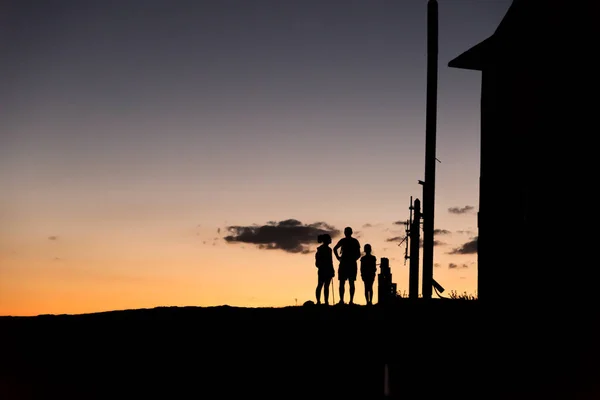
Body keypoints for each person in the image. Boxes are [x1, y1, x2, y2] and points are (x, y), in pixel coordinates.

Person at [333, 227, 361, 305]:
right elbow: (334, 249)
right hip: (347, 263)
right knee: (345, 283)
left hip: (347, 263)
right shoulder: (351, 241)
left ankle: (347, 300)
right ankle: (345, 300)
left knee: (347, 283)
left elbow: (335, 249)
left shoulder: (350, 241)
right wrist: (339, 258)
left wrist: (339, 258)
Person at [315, 233, 334, 305]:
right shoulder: (325, 250)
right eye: (329, 239)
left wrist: (332, 270)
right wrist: (331, 270)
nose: (331, 240)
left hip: (325, 270)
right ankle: (322, 301)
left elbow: (330, 261)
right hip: (324, 270)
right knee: (323, 286)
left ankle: (322, 301)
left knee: (323, 286)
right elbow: (329, 261)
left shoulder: (326, 249)